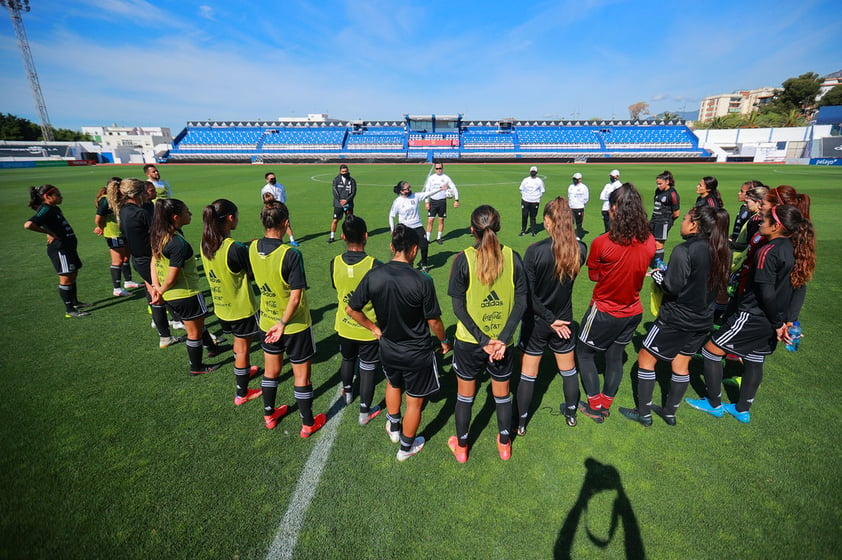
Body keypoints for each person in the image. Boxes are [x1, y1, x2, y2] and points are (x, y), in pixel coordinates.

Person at [686, 204, 815, 423]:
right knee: (755, 360)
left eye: (765, 219)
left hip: (753, 315)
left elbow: (766, 292)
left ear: (776, 226)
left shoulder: (768, 251)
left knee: (710, 352)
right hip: (773, 319)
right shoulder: (795, 248)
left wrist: (777, 324)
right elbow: (798, 287)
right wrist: (787, 322)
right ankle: (742, 409)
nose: (761, 221)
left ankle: (714, 404)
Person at [618, 205, 730, 427]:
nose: (682, 222)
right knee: (681, 363)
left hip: (676, 318)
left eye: (686, 219)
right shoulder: (721, 248)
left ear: (694, 225)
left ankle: (644, 413)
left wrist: (660, 276)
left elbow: (673, 287)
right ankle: (669, 412)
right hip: (703, 319)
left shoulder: (684, 250)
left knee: (645, 358)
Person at [347, 225, 450, 462]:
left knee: (393, 383)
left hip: (388, 348)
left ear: (392, 247)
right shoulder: (423, 280)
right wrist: (444, 341)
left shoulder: (375, 274)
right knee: (414, 401)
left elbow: (352, 309)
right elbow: (433, 321)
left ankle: (394, 427)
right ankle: (406, 448)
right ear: (414, 250)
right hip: (417, 353)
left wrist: (374, 328)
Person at [447, 205, 527, 463]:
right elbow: (522, 302)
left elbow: (458, 306)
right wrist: (502, 339)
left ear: (472, 230)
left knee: (465, 396)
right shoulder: (513, 257)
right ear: (499, 227)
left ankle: (461, 448)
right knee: (502, 395)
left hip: (471, 343)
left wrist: (483, 341)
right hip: (502, 344)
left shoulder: (463, 259)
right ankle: (504, 444)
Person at [577, 184, 655, 422]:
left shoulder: (602, 242)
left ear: (613, 209)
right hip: (633, 310)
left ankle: (595, 406)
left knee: (583, 352)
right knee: (615, 355)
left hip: (604, 309)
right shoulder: (650, 240)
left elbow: (593, 276)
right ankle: (606, 403)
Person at [250, 201, 326, 436]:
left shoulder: (252, 247)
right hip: (293, 325)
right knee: (301, 375)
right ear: (285, 224)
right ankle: (307, 423)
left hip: (266, 322)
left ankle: (269, 414)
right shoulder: (290, 254)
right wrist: (282, 324)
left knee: (271, 371)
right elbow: (295, 298)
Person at [517, 197, 587, 434]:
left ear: (548, 221)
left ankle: (522, 423)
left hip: (538, 322)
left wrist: (548, 318)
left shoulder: (534, 251)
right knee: (568, 370)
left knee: (528, 374)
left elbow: (528, 295)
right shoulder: (581, 250)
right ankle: (570, 414)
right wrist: (555, 319)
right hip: (564, 321)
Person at [201, 199, 263, 406]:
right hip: (241, 308)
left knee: (239, 343)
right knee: (244, 347)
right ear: (230, 218)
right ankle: (241, 392)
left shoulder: (206, 243)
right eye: (236, 215)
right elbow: (252, 273)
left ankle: (243, 371)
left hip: (222, 307)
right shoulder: (234, 248)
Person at [108, 178, 183, 348]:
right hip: (149, 259)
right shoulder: (140, 213)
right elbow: (158, 233)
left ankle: (168, 330)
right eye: (144, 192)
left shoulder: (124, 210)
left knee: (156, 294)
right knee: (161, 294)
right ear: (139, 194)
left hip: (139, 258)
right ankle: (175, 329)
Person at [150, 199, 222, 376]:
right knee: (194, 332)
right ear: (176, 217)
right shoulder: (176, 243)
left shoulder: (159, 235)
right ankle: (196, 367)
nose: (190, 213)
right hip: (186, 294)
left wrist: (156, 288)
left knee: (196, 325)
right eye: (186, 211)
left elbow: (153, 262)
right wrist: (161, 289)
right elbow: (173, 275)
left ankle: (212, 348)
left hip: (171, 296)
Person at [330, 214, 384, 426]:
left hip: (344, 326)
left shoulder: (334, 263)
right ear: (366, 236)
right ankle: (364, 412)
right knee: (369, 367)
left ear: (343, 236)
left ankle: (348, 393)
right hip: (368, 329)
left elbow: (337, 287)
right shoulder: (375, 265)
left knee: (348, 359)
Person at [24, 185, 90, 318]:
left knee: (73, 274)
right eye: (58, 195)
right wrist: (48, 232)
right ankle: (69, 310)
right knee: (66, 278)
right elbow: (28, 224)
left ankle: (75, 302)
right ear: (47, 197)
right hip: (60, 249)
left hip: (69, 247)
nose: (61, 197)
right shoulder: (45, 209)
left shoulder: (54, 208)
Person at [94, 177, 141, 297]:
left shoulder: (120, 199)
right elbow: (98, 219)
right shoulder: (105, 201)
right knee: (118, 260)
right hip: (113, 234)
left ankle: (128, 282)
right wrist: (101, 228)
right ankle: (117, 289)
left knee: (126, 257)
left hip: (122, 232)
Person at [388, 180, 439, 272]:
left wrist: (440, 189)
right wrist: (392, 229)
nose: (409, 189)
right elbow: (391, 216)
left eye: (409, 187)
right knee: (406, 248)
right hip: (405, 228)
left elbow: (428, 193)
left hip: (417, 226)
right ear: (401, 191)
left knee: (424, 245)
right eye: (407, 189)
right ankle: (409, 264)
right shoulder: (397, 202)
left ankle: (424, 263)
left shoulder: (415, 196)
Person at [649, 170, 681, 268]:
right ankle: (653, 262)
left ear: (667, 182)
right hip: (654, 220)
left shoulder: (672, 194)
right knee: (650, 241)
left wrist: (667, 222)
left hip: (663, 222)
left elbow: (676, 213)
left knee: (659, 243)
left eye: (660, 184)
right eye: (657, 184)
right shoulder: (658, 191)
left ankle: (658, 267)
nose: (658, 186)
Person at [422, 162, 459, 245]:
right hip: (433, 202)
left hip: (442, 202)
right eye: (437, 168)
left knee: (441, 220)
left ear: (442, 168)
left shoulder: (446, 178)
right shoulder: (431, 178)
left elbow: (454, 187)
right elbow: (427, 190)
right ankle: (427, 239)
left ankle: (439, 237)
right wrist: (426, 202)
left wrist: (456, 200)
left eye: (440, 168)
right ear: (435, 169)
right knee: (430, 220)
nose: (438, 170)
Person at [260, 172, 299, 247]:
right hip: (271, 210)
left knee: (286, 224)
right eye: (271, 179)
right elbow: (263, 199)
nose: (273, 180)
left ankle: (292, 240)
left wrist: (282, 204)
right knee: (272, 225)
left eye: (274, 178)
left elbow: (284, 196)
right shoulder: (265, 189)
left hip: (281, 208)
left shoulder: (280, 186)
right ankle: (272, 240)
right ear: (267, 180)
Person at [328, 164, 357, 243]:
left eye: (346, 171)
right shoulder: (336, 180)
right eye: (343, 171)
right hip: (338, 204)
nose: (344, 172)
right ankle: (332, 236)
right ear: (340, 172)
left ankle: (349, 236)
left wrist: (346, 200)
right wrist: (340, 200)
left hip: (349, 204)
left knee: (349, 221)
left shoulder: (352, 180)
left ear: (348, 171)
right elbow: (335, 191)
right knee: (335, 220)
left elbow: (353, 192)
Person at [519, 165, 545, 237]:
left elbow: (542, 191)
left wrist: (537, 197)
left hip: (535, 201)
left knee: (533, 217)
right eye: (532, 171)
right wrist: (525, 196)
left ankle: (533, 232)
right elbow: (521, 189)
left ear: (536, 172)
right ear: (530, 172)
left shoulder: (539, 181)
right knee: (524, 216)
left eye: (534, 172)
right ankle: (523, 231)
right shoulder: (526, 180)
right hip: (525, 200)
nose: (533, 173)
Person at [567, 172, 589, 238]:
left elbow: (586, 198)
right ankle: (570, 236)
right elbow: (569, 196)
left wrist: (580, 204)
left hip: (579, 207)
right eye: (574, 179)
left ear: (580, 179)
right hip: (571, 207)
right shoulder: (571, 186)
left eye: (576, 179)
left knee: (579, 224)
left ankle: (578, 237)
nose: (574, 180)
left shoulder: (584, 187)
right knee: (570, 223)